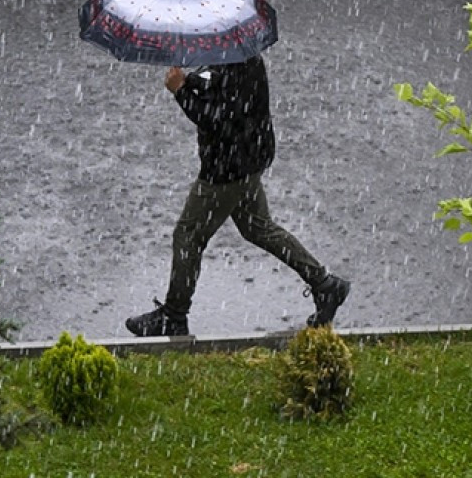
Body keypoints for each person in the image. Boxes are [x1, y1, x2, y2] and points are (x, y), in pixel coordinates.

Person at [125, 54, 350, 337]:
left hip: (227, 169)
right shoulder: (239, 54)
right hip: (247, 159)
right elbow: (216, 84)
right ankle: (326, 286)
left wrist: (181, 91)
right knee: (257, 227)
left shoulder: (236, 63)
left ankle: (174, 315)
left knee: (188, 235)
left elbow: (218, 121)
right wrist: (191, 80)